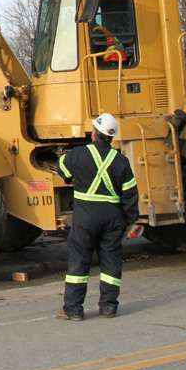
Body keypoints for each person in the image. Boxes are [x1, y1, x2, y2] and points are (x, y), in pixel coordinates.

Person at [56, 112, 140, 321]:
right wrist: (131, 219)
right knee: (111, 261)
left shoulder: (78, 154)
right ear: (110, 137)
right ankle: (109, 307)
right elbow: (130, 194)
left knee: (79, 261)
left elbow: (62, 170)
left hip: (85, 216)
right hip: (113, 217)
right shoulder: (121, 160)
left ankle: (73, 309)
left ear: (94, 133)